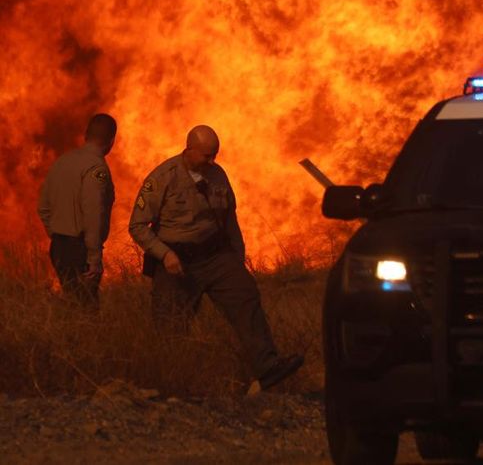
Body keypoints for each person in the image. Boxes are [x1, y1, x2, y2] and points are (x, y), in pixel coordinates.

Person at [128, 125, 303, 392]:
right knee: (170, 324)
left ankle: (268, 367)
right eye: (206, 156)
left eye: (215, 155)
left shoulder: (217, 175)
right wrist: (165, 255)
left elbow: (229, 218)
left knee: (245, 297)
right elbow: (137, 225)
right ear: (188, 150)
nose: (212, 161)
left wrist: (237, 257)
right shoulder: (163, 178)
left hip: (215, 256)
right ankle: (173, 384)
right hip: (177, 262)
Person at [37, 113, 117, 309]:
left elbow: (43, 207)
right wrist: (94, 257)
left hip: (58, 247)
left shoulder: (62, 161)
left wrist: (56, 233)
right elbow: (93, 213)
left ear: (85, 135)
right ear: (111, 141)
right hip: (79, 250)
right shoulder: (96, 169)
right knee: (86, 310)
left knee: (72, 304)